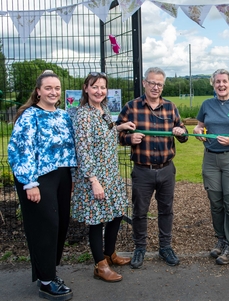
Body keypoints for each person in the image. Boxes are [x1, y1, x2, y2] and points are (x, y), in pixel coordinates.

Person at [8, 70, 77, 300]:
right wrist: (29, 183)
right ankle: (46, 282)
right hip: (39, 178)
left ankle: (48, 272)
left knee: (60, 225)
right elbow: (20, 150)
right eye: (48, 88)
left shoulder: (63, 116)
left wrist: (73, 178)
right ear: (38, 91)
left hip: (62, 176)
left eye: (57, 88)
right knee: (46, 226)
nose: (53, 92)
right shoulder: (29, 116)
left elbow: (70, 148)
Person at [116, 67, 188, 269]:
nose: (156, 87)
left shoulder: (170, 108)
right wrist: (130, 138)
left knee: (166, 210)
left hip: (166, 169)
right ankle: (140, 248)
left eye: (160, 84)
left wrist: (180, 132)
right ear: (144, 83)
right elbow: (118, 133)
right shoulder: (131, 107)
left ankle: (165, 247)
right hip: (142, 170)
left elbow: (184, 135)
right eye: (152, 83)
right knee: (140, 211)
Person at [71, 72, 136, 282]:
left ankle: (110, 254)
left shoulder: (104, 109)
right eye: (95, 87)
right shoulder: (83, 115)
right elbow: (83, 150)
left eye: (103, 87)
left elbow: (106, 131)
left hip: (111, 173)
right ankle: (100, 265)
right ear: (86, 88)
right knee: (97, 221)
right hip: (95, 177)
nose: (99, 91)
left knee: (116, 213)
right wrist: (93, 181)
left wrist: (120, 127)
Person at [193, 69, 229, 265]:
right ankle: (221, 239)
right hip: (210, 158)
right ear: (213, 84)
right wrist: (197, 130)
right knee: (216, 202)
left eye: (224, 81)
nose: (221, 85)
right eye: (217, 81)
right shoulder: (207, 104)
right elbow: (199, 125)